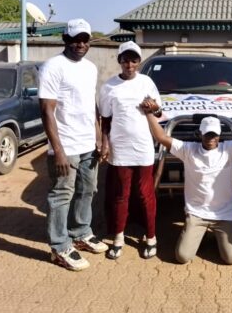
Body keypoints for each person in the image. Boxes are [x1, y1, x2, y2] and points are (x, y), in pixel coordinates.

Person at [140, 97, 232, 265]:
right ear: (200, 133)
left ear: (219, 135)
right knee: (182, 257)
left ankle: (218, 236)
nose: (210, 138)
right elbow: (162, 137)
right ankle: (201, 234)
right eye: (207, 134)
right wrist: (149, 113)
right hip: (197, 214)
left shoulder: (229, 149)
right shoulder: (188, 150)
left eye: (214, 134)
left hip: (223, 215)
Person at [39, 18, 108, 271]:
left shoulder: (90, 68)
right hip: (65, 145)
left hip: (88, 142)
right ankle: (59, 247)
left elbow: (91, 107)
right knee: (61, 195)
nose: (81, 44)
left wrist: (99, 137)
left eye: (85, 39)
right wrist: (57, 151)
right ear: (65, 40)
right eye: (76, 39)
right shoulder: (53, 66)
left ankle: (80, 233)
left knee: (87, 190)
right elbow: (47, 110)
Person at [99, 41, 162, 260]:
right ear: (119, 61)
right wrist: (104, 143)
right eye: (125, 59)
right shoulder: (109, 87)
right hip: (120, 149)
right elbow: (105, 120)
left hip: (143, 147)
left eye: (134, 59)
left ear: (139, 61)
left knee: (145, 194)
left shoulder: (147, 82)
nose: (130, 64)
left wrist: (153, 108)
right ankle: (118, 238)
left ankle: (151, 237)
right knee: (120, 195)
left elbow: (159, 110)